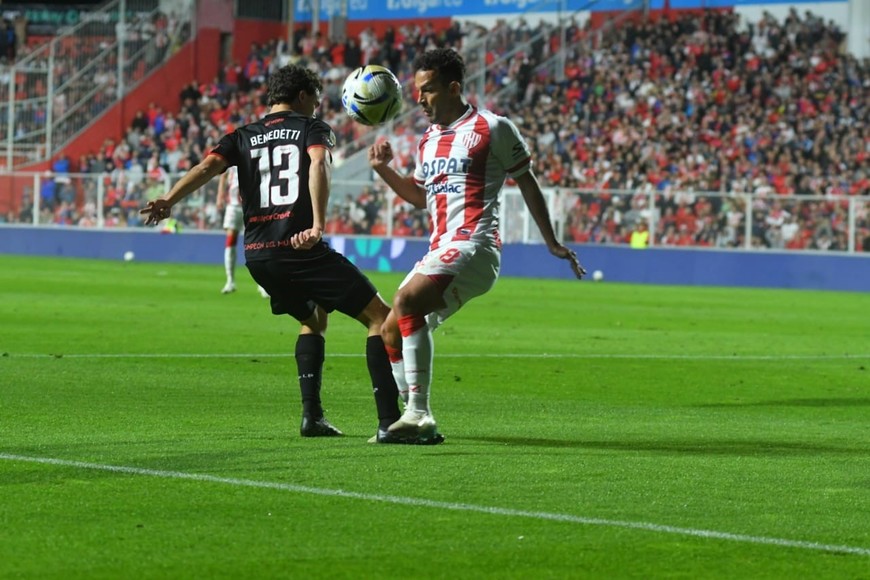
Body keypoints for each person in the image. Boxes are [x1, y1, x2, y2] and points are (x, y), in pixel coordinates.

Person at [141, 64, 440, 445]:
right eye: (314, 101)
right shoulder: (311, 129)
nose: (317, 109)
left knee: (314, 318)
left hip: (260, 255)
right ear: (301, 97)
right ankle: (388, 422)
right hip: (300, 247)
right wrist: (317, 224)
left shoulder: (241, 135)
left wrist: (169, 199)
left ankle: (312, 416)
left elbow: (207, 167)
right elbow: (317, 163)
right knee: (380, 319)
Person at [368, 48, 585, 440]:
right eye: (418, 91)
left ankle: (419, 413)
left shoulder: (492, 127)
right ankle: (413, 421)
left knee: (406, 302)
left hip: (476, 245)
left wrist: (551, 242)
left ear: (453, 88)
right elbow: (420, 197)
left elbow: (528, 182)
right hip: (440, 248)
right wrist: (384, 169)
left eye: (428, 90)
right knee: (390, 330)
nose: (419, 100)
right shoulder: (427, 141)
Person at [216, 165, 270, 297]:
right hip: (233, 205)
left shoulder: (253, 151)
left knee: (258, 242)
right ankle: (230, 281)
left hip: (252, 205)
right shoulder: (233, 152)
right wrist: (220, 196)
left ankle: (262, 284)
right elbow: (223, 174)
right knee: (230, 240)